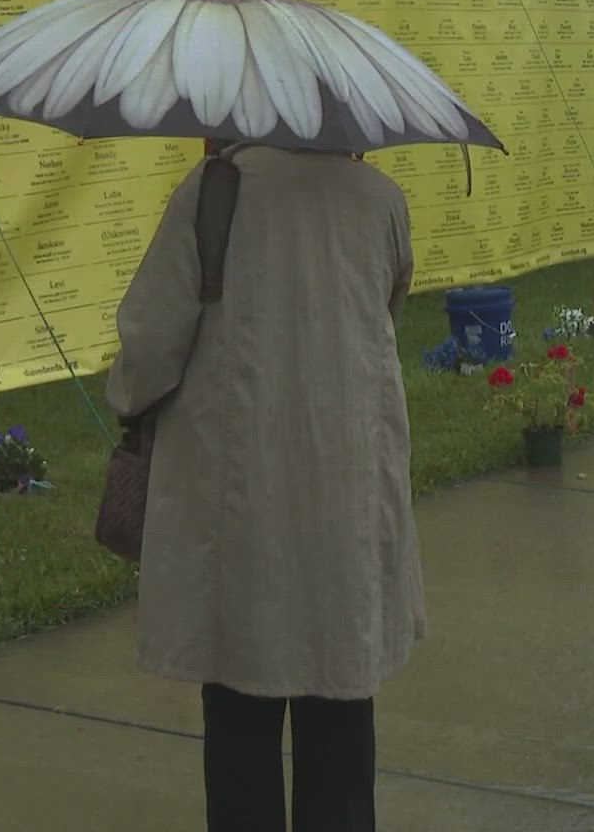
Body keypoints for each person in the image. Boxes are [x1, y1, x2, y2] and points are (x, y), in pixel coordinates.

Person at [107, 143, 423, 832]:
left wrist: (128, 400)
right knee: (341, 697)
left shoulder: (213, 189)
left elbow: (152, 340)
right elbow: (385, 309)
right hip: (347, 487)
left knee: (240, 701)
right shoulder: (380, 199)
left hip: (240, 491)